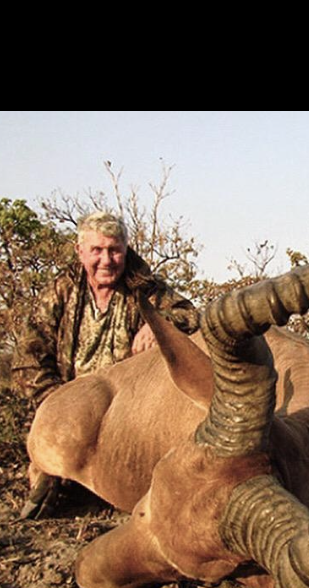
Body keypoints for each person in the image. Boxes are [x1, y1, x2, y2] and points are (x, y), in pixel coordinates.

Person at [14, 212, 200, 517]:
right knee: (56, 456)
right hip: (68, 408)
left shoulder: (144, 287)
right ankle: (53, 471)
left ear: (126, 249)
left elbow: (189, 315)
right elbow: (28, 358)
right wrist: (60, 410)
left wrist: (159, 323)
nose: (106, 260)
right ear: (80, 251)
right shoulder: (59, 291)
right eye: (97, 250)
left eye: (114, 250)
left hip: (127, 414)